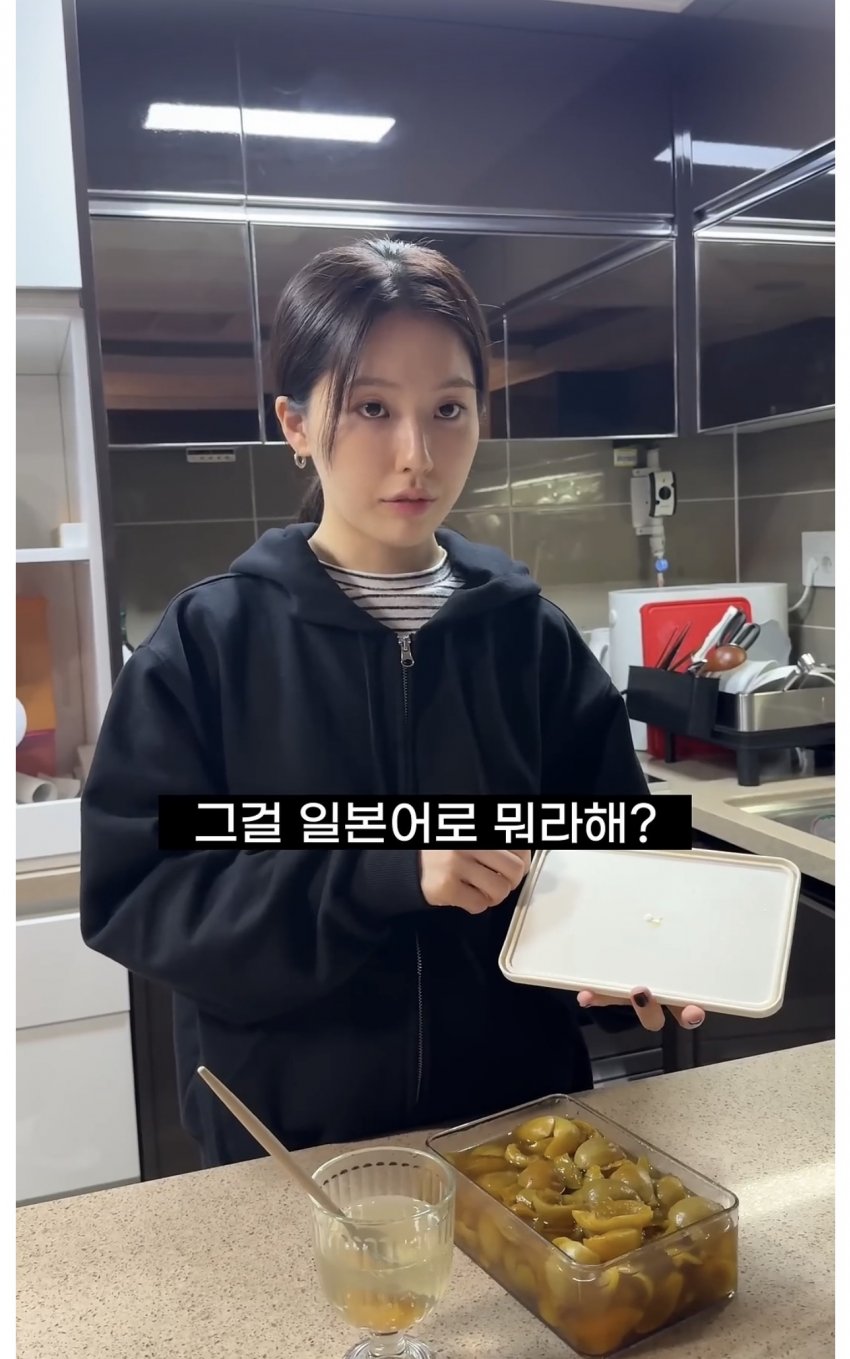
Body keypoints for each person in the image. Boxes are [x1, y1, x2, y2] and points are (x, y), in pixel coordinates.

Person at [80, 238, 704, 1169]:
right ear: (295, 423)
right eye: (371, 407)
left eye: (448, 408)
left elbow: (609, 852)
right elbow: (138, 894)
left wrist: (634, 961)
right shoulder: (209, 645)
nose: (417, 454)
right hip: (293, 1154)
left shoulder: (531, 639)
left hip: (518, 1138)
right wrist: (387, 871)